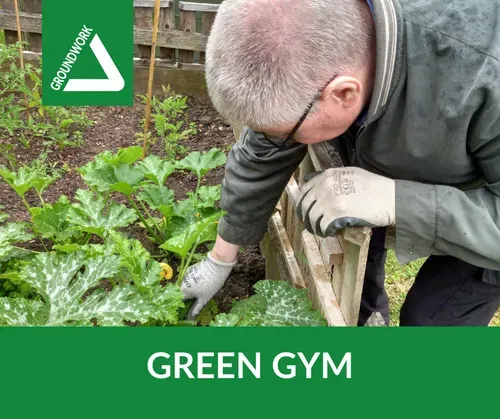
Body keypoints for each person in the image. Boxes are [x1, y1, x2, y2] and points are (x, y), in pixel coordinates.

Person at [180, 0, 500, 326]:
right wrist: (220, 260)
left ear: (344, 94)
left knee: (429, 321)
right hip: (395, 144)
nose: (275, 138)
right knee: (358, 272)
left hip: (487, 202)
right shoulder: (319, 41)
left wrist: (397, 202)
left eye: (286, 131)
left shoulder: (485, 76)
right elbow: (266, 148)